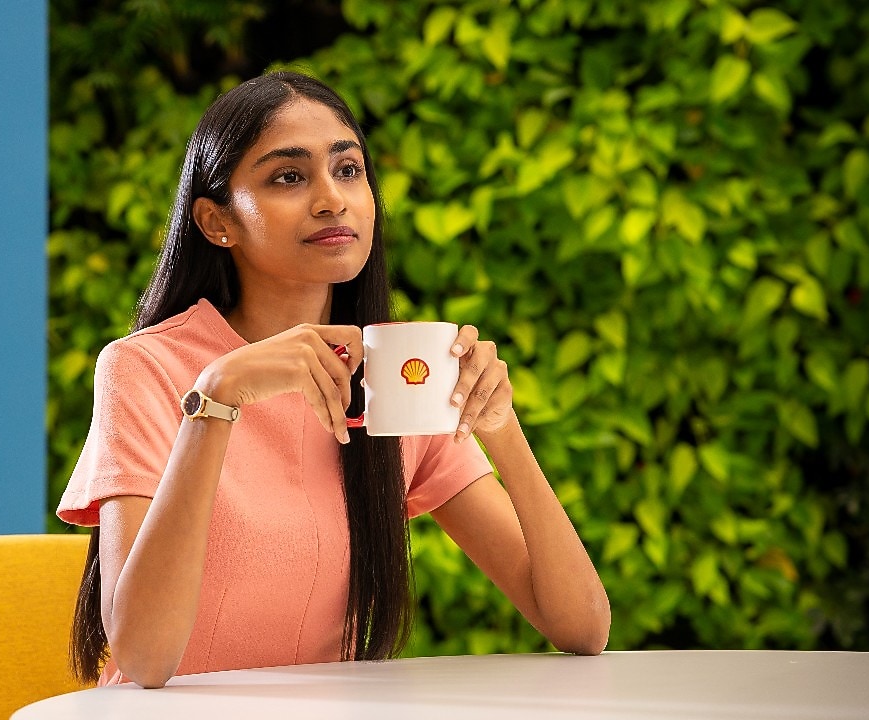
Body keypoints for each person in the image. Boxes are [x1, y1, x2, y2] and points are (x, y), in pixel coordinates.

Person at [58, 71, 610, 689]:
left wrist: (500, 425)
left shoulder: (396, 377)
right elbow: (144, 659)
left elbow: (580, 628)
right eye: (289, 177)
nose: (331, 198)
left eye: (348, 170)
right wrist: (214, 399)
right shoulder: (147, 368)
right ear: (217, 222)